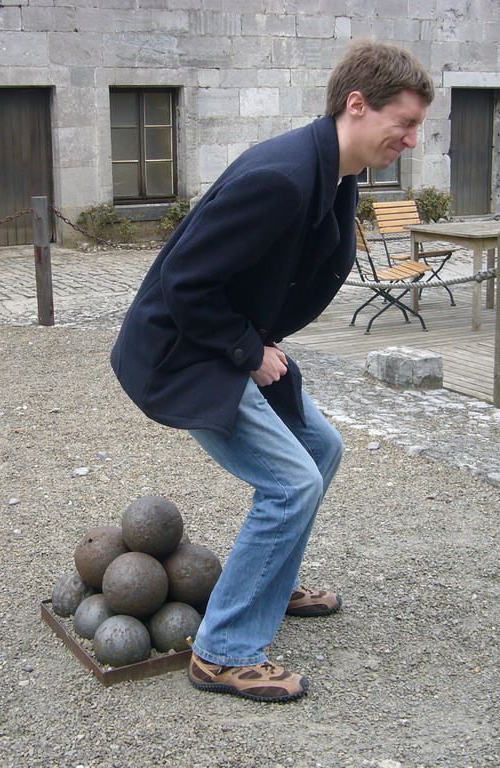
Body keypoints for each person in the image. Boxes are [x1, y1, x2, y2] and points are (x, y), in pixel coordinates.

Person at [111, 39, 435, 703]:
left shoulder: (335, 173)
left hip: (231, 341)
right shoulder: (282, 177)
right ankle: (224, 650)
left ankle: (270, 585)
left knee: (322, 448)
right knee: (290, 483)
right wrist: (250, 353)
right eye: (403, 123)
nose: (410, 139)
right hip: (187, 353)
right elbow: (184, 282)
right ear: (356, 105)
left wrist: (257, 346)